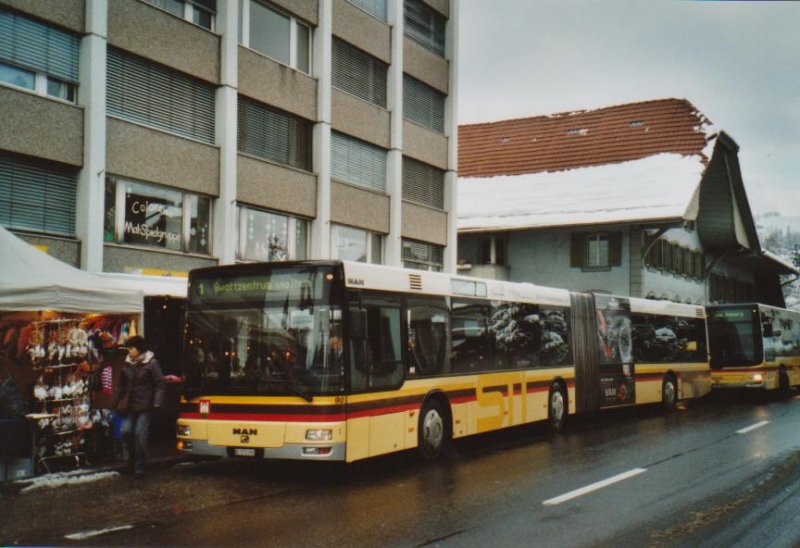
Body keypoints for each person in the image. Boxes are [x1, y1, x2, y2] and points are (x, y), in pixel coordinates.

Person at [112, 335, 165, 476]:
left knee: (140, 433)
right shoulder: (127, 364)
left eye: (131, 348)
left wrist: (157, 403)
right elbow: (121, 385)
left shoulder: (152, 364)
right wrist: (115, 402)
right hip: (129, 404)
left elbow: (159, 384)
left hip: (146, 405)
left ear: (139, 349)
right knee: (126, 431)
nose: (129, 351)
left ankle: (141, 464)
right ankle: (131, 459)